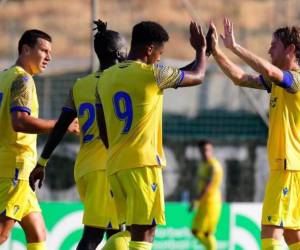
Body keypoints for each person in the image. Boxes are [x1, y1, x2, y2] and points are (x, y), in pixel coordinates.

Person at [96, 20, 208, 250]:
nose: (160, 58)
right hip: (143, 164)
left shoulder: (105, 78)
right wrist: (201, 50)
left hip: (116, 164)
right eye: (160, 52)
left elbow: (102, 126)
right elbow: (197, 75)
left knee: (129, 232)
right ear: (149, 49)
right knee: (145, 232)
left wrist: (205, 54)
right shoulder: (153, 74)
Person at [29, 20, 128, 250]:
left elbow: (62, 125)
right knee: (94, 236)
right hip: (104, 168)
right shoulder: (120, 82)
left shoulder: (80, 85)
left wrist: (42, 161)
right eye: (125, 49)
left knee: (115, 231)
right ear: (118, 53)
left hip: (86, 167)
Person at [209, 18, 300, 249]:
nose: (269, 49)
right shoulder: (278, 83)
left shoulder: (295, 80)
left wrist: (235, 47)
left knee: (270, 236)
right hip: (290, 168)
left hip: (288, 167)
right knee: (293, 236)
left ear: (290, 50)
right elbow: (240, 78)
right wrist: (217, 52)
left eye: (274, 45)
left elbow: (270, 70)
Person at [0, 29, 78, 250]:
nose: (49, 57)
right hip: (15, 168)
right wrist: (61, 124)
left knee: (38, 233)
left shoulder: (3, 76)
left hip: (15, 167)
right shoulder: (22, 80)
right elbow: (20, 122)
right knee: (2, 233)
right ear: (26, 49)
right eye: (43, 50)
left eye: (50, 52)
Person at [190, 139, 223, 250]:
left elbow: (207, 187)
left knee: (207, 233)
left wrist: (196, 201)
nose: (205, 152)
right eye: (202, 150)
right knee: (195, 231)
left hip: (211, 203)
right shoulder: (202, 164)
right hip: (204, 202)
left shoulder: (213, 166)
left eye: (207, 150)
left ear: (211, 150)